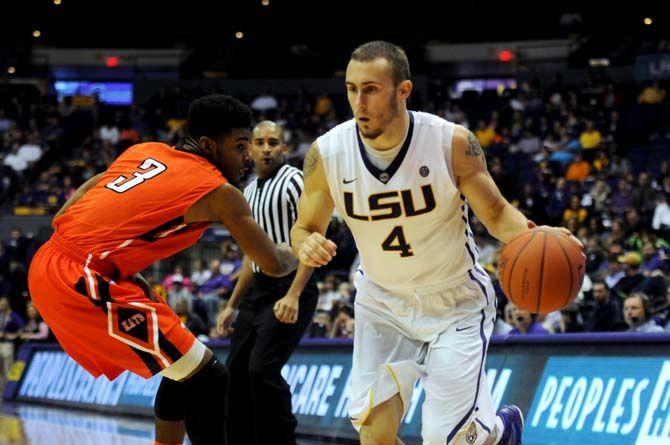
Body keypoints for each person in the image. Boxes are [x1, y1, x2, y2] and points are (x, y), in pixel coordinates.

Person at [290, 41, 583, 445]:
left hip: (455, 302)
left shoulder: (451, 143)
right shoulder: (327, 153)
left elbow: (496, 214)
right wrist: (304, 243)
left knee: (446, 439)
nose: (359, 101)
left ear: (403, 90)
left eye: (371, 89)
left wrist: (539, 238)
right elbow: (304, 227)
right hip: (382, 304)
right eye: (351, 88)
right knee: (374, 437)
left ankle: (497, 431)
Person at [27, 95, 296, 445]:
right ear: (208, 146)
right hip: (82, 277)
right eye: (240, 145)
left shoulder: (145, 151)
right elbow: (273, 264)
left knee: (186, 366)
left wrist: (104, 257)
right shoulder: (219, 191)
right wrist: (298, 250)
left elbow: (87, 191)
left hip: (55, 259)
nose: (247, 155)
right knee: (210, 377)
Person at [218, 120, 318, 445]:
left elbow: (313, 242)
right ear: (250, 149)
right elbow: (251, 255)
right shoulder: (247, 191)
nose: (265, 149)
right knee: (234, 372)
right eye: (259, 143)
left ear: (284, 148)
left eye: (273, 142)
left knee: (262, 371)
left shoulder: (294, 181)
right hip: (257, 293)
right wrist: (232, 304)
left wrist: (294, 294)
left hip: (290, 287)